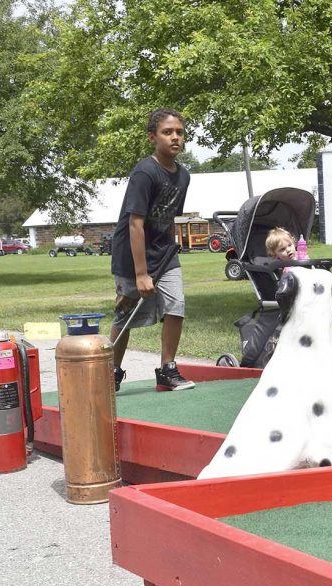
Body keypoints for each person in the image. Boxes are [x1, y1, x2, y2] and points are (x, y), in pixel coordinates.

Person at [109, 108, 194, 393]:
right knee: (126, 315)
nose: (175, 137)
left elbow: (168, 218)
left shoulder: (183, 176)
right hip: (131, 256)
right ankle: (110, 371)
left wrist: (169, 251)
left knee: (176, 306)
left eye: (179, 132)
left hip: (165, 254)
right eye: (167, 132)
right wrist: (142, 274)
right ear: (152, 137)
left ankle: (167, 370)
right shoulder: (145, 172)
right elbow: (135, 223)